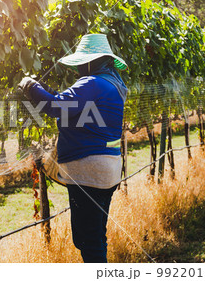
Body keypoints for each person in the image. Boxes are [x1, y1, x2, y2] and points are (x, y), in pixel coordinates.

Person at [18, 34, 128, 263]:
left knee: (88, 240)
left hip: (89, 173)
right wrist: (45, 90)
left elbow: (57, 107)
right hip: (108, 170)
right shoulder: (114, 85)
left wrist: (31, 87)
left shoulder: (92, 83)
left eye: (81, 62)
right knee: (95, 236)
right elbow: (72, 108)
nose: (78, 67)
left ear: (91, 62)